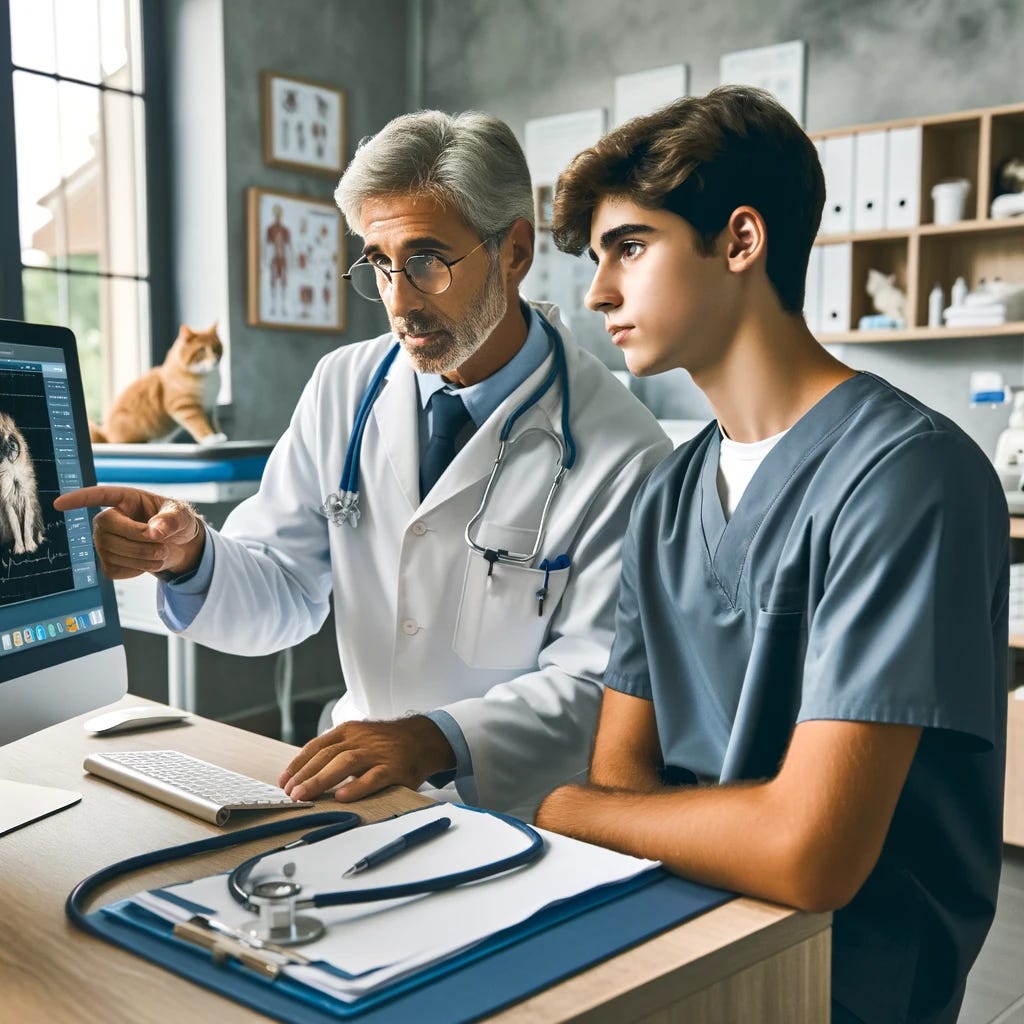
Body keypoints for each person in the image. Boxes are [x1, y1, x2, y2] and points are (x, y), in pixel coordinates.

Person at [534, 86, 1008, 1024]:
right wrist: (615, 813)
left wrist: (563, 810)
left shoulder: (909, 476)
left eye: (630, 246)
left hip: (841, 981)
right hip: (673, 942)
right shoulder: (666, 495)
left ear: (741, 241)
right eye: (597, 258)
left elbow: (809, 853)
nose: (597, 293)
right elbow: (626, 774)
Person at [56, 110, 671, 822]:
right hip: (357, 798)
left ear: (515, 251)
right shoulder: (344, 386)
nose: (400, 302)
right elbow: (283, 590)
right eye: (379, 264)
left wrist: (434, 738)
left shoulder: (625, 451)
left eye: (426, 260)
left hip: (525, 819)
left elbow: (598, 684)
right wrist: (190, 556)